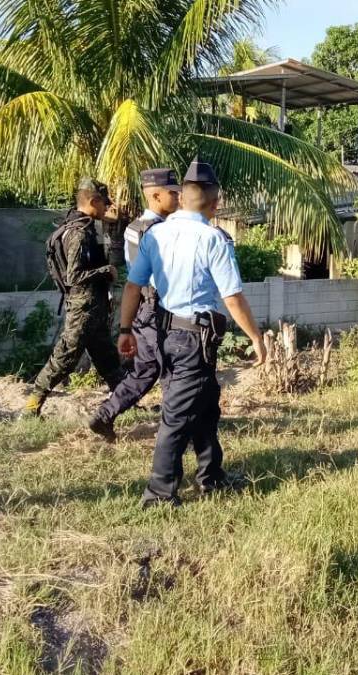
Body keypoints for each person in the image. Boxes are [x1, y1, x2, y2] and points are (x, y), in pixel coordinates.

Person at [116, 158, 267, 507]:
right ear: (215, 204)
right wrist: (256, 338)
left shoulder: (154, 234)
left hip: (165, 334)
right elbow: (232, 297)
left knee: (205, 406)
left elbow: (132, 287)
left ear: (181, 198)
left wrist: (125, 329)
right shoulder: (213, 238)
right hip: (193, 340)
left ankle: (210, 475)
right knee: (176, 417)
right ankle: (158, 494)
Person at [88, 168, 181, 441]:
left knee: (146, 370)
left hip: (142, 307)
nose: (177, 198)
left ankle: (105, 414)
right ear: (155, 195)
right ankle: (175, 429)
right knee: (171, 368)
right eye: (172, 193)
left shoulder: (134, 227)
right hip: (160, 309)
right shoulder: (162, 231)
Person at [23, 178, 126, 416]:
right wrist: (106, 271)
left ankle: (125, 400)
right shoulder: (79, 233)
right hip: (83, 308)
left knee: (107, 358)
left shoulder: (86, 227)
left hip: (94, 307)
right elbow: (74, 275)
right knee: (65, 357)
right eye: (103, 203)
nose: (106, 208)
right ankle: (31, 406)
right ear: (92, 201)